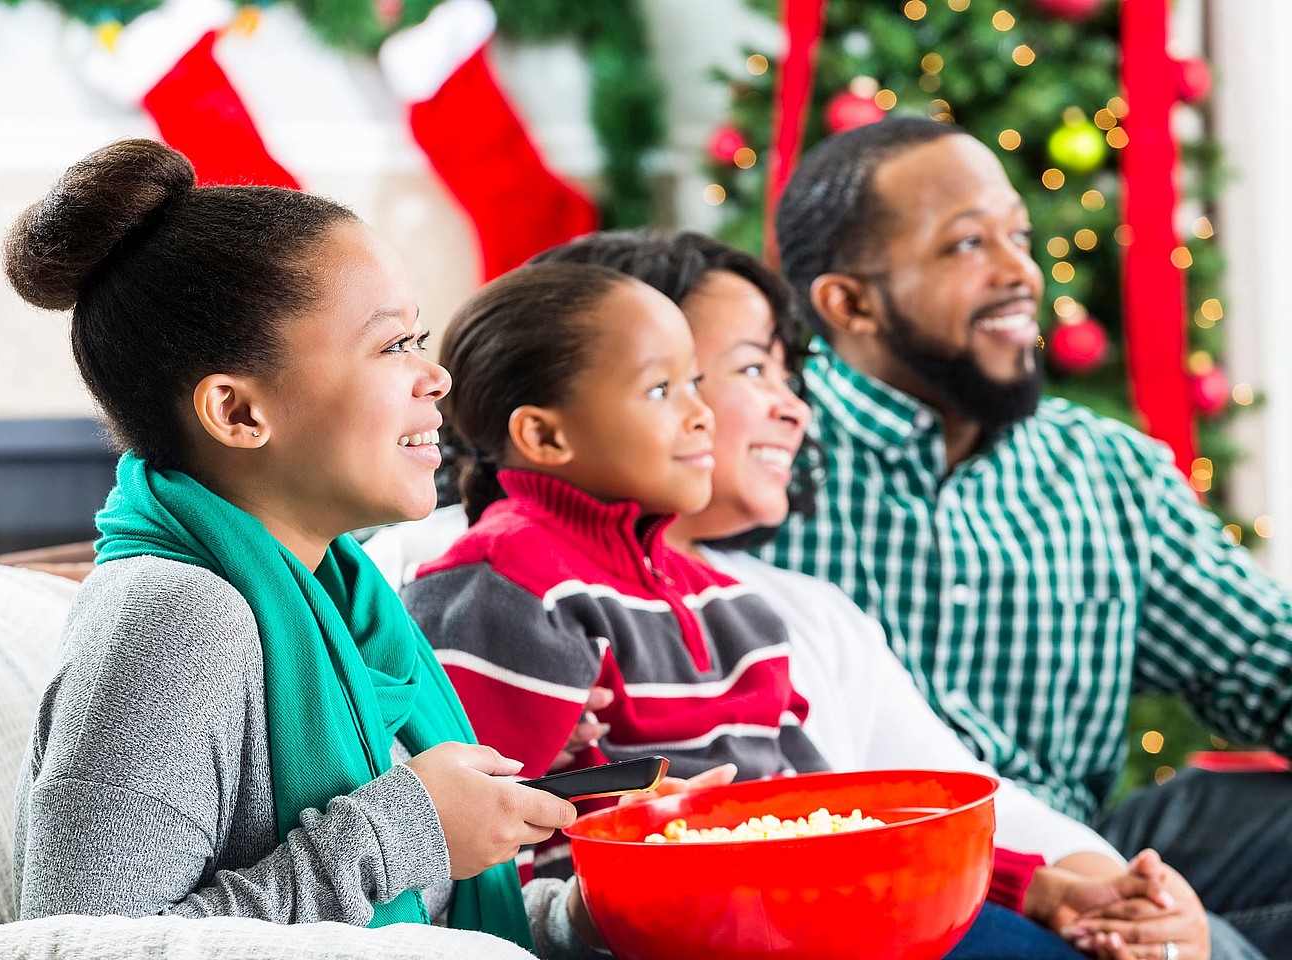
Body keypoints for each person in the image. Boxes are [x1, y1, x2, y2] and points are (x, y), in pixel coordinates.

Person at [384, 253, 1198, 960]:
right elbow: (473, 847)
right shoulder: (509, 580)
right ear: (545, 436)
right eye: (664, 388)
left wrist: (1038, 887)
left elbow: (820, 816)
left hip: (779, 925)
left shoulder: (735, 608)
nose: (700, 412)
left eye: (699, 383)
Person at [4, 138, 609, 960]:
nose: (436, 379)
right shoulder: (173, 618)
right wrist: (402, 831)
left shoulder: (346, 605)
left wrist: (586, 916)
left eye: (419, 340)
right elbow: (85, 947)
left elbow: (410, 927)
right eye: (393, 346)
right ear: (239, 413)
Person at [767, 116, 1292, 957]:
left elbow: (1264, 657)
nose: (1021, 272)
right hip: (885, 884)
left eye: (1016, 234)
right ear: (849, 303)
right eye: (967, 245)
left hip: (1088, 842)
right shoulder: (759, 457)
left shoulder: (1105, 469)